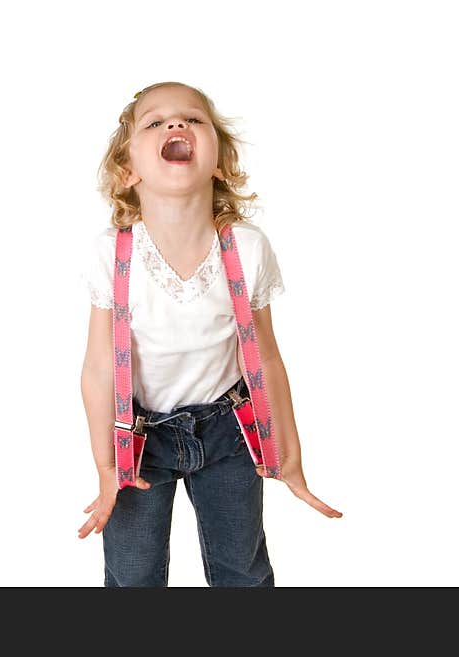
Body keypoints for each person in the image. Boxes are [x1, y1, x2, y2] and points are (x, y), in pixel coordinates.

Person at [77, 81, 342, 587]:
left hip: (229, 433)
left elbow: (264, 358)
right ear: (128, 170)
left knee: (241, 568)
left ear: (218, 161)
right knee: (132, 576)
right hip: (140, 437)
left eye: (192, 119)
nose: (176, 125)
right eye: (155, 122)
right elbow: (97, 368)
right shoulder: (112, 253)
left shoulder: (245, 247)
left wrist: (289, 456)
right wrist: (106, 468)